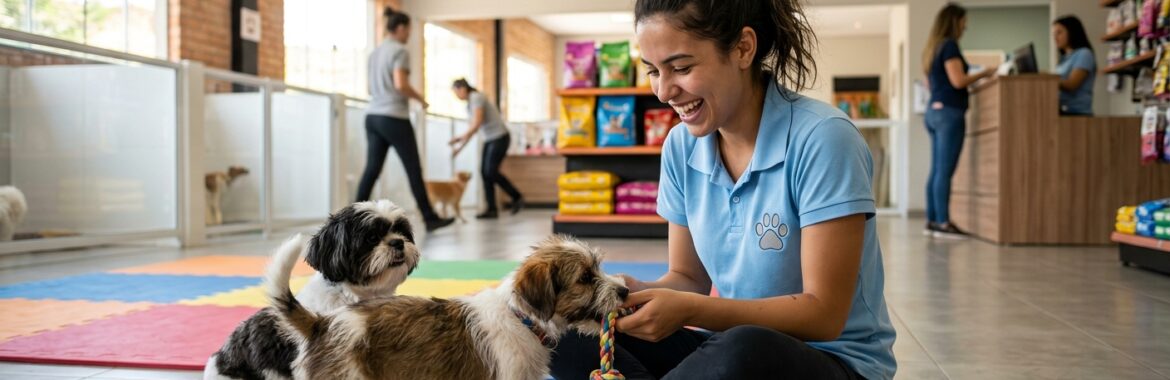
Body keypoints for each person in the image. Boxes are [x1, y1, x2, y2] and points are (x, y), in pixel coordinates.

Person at [548, 1, 896, 379]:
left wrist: (692, 310)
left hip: (830, 361)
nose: (664, 92)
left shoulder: (824, 138)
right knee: (565, 333)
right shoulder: (681, 146)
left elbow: (824, 315)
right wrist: (640, 293)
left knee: (745, 347)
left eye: (681, 68)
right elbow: (687, 277)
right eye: (653, 71)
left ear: (743, 48)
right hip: (726, 349)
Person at [356, 7, 453, 232]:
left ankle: (351, 216)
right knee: (413, 168)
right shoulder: (400, 51)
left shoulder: (375, 53)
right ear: (400, 28)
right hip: (394, 117)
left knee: (371, 169)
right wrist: (421, 100)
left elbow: (370, 88)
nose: (409, 35)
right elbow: (400, 84)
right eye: (408, 30)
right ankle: (430, 218)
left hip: (372, 116)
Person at [922, 3, 995, 240]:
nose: (966, 26)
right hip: (949, 114)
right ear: (955, 21)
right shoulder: (950, 46)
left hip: (933, 111)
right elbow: (958, 81)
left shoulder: (932, 49)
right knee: (944, 171)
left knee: (936, 171)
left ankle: (933, 221)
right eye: (964, 21)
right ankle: (943, 223)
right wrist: (986, 72)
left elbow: (930, 85)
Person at [449, 79, 524, 218]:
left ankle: (517, 196)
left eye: (456, 92)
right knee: (484, 172)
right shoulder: (469, 105)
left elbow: (477, 123)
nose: (456, 96)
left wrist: (460, 138)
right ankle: (491, 209)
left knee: (490, 171)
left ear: (463, 88)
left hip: (500, 137)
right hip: (490, 139)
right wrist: (460, 148)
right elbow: (473, 130)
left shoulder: (476, 97)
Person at [1053, 15, 1096, 116]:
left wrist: (1048, 79)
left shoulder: (1084, 54)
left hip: (1077, 114)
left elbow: (1072, 84)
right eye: (1054, 34)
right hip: (1062, 111)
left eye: (1059, 32)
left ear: (1071, 32)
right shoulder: (1063, 59)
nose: (1055, 37)